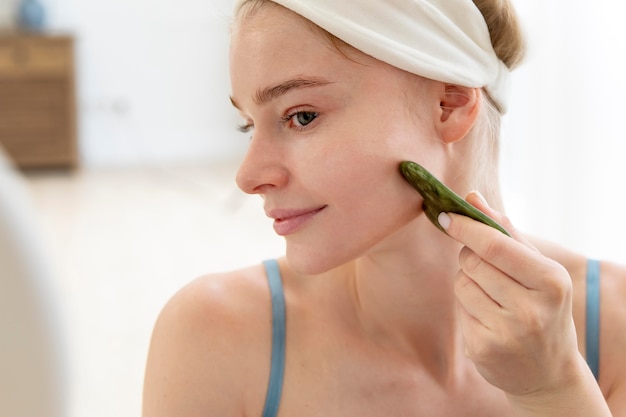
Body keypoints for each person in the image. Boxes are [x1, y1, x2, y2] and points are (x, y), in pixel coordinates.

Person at [142, 0, 626, 415]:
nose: (248, 177)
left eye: (301, 116)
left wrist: (554, 390)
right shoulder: (214, 338)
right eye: (249, 125)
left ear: (450, 104)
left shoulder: (615, 323)